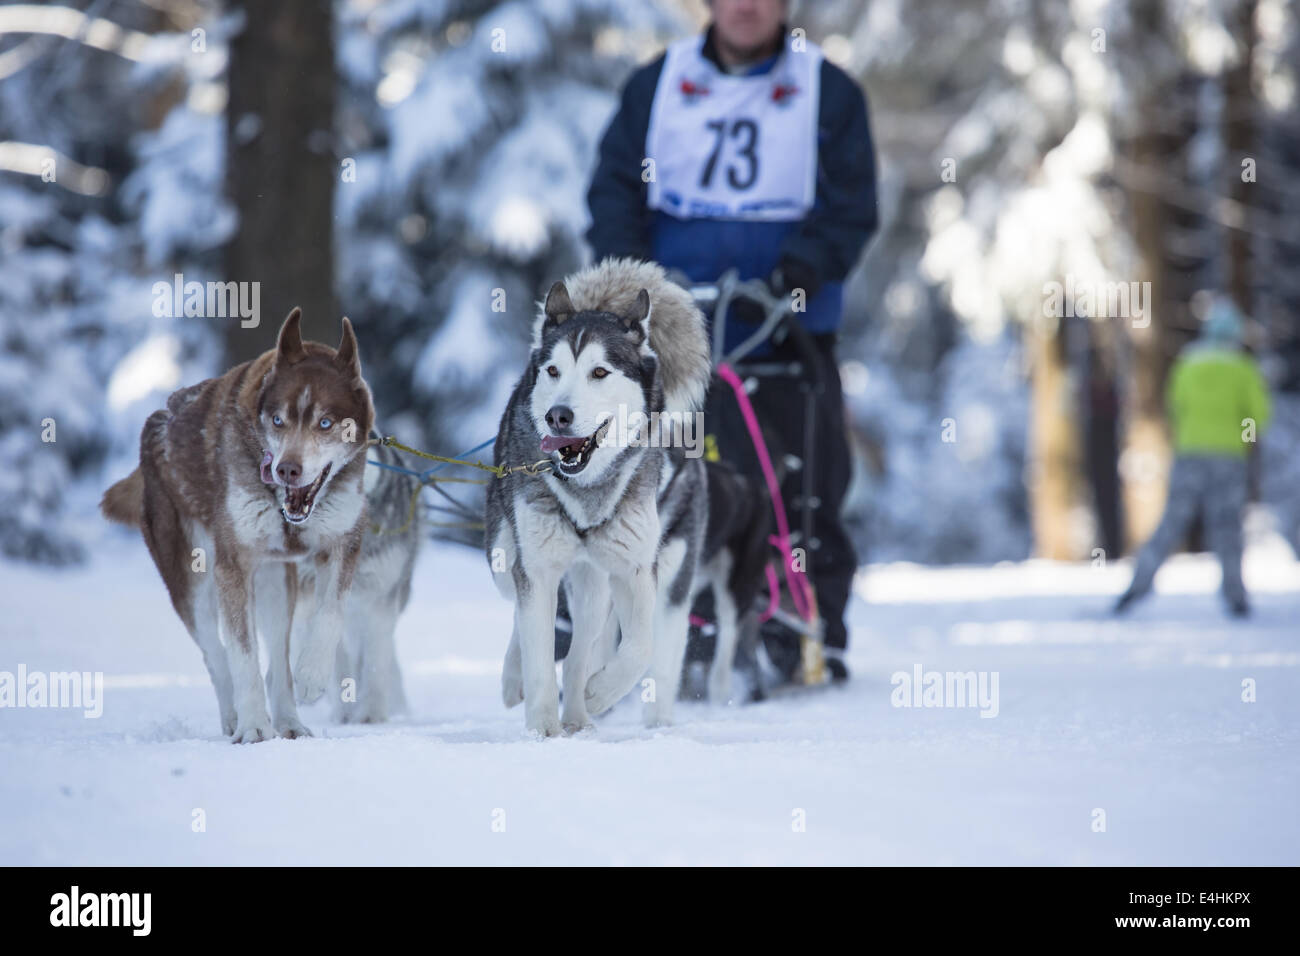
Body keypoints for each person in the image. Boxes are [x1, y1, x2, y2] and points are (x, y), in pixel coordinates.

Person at [586, 0, 878, 680]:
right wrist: (635, 282)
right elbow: (614, 191)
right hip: (672, 331)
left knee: (806, 478)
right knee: (659, 472)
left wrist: (802, 268)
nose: (746, 7)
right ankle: (644, 620)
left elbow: (851, 203)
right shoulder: (656, 84)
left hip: (785, 327)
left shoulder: (825, 90)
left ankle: (810, 629)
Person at [1115, 298, 1272, 617]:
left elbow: (1176, 407)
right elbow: (1255, 417)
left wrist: (1188, 438)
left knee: (1171, 522)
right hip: (1229, 458)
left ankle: (1137, 587)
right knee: (1227, 527)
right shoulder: (1242, 368)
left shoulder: (1188, 364)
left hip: (1189, 454)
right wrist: (1243, 445)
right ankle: (1235, 597)